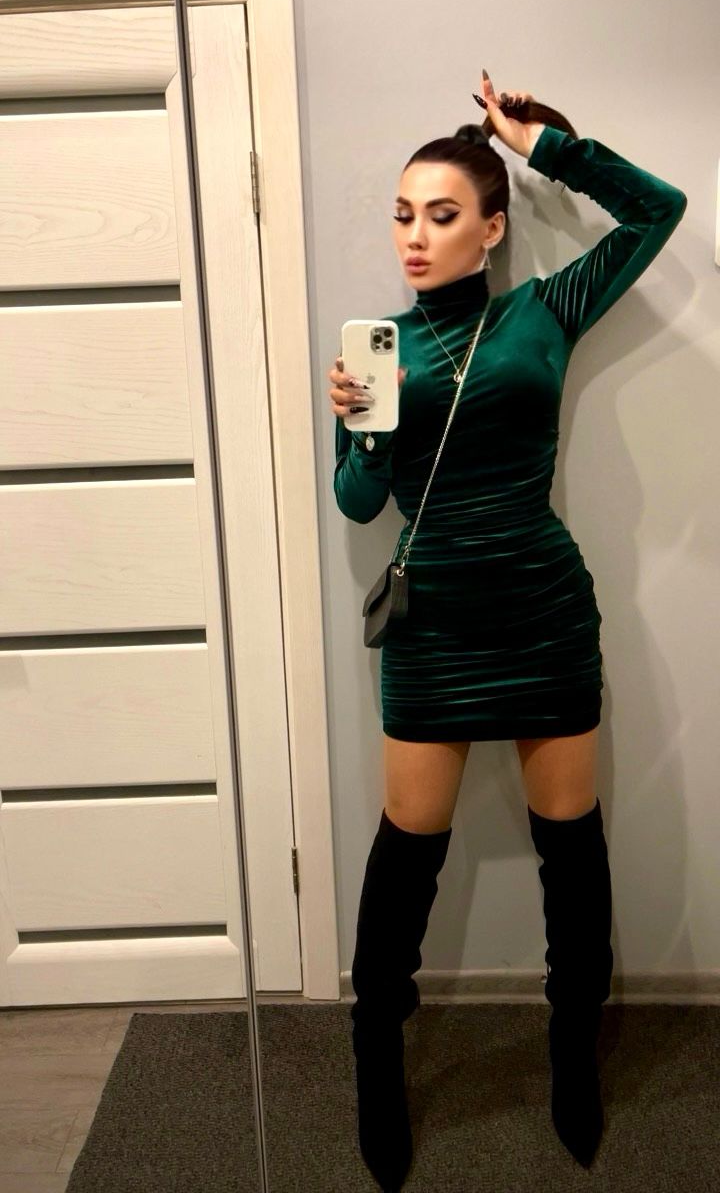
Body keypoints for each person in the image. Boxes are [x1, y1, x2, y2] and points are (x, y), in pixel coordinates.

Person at [329, 70, 687, 1191]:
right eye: (402, 213)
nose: (415, 235)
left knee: (570, 854)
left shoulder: (544, 311)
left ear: (492, 228)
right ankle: (376, 1057)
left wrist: (546, 147)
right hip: (433, 627)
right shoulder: (379, 347)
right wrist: (366, 432)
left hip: (541, 613)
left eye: (442, 214)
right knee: (407, 859)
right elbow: (357, 505)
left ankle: (572, 1051)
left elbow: (659, 211)